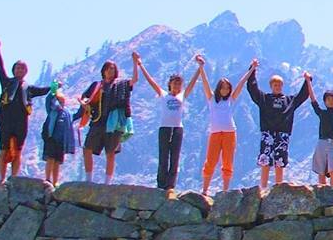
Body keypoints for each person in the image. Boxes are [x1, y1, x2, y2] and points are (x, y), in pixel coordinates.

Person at [241, 60, 310, 189]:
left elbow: (302, 95)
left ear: (282, 86)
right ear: (271, 86)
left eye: (279, 84)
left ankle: (278, 188)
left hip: (283, 135)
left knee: (280, 162)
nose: (277, 87)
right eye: (275, 84)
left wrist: (307, 80)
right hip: (268, 133)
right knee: (265, 160)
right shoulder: (265, 99)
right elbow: (252, 88)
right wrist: (252, 69)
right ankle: (263, 188)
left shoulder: (289, 101)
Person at [0, 44, 50, 182]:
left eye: (22, 68)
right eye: (17, 67)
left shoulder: (29, 87)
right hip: (5, 120)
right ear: (14, 70)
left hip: (21, 121)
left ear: (26, 71)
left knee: (18, 150)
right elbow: (0, 66)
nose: (20, 70)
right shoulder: (6, 82)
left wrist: (54, 86)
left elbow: (43, 90)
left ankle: (15, 177)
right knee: (4, 149)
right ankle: (2, 178)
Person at [79, 53, 143, 183]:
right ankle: (88, 180)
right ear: (103, 71)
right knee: (87, 149)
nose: (110, 71)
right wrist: (85, 103)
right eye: (108, 68)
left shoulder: (121, 85)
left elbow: (134, 80)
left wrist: (135, 63)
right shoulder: (97, 85)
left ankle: (107, 183)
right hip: (97, 121)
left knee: (110, 152)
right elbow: (84, 97)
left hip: (114, 123)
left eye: (113, 69)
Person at [132, 56, 192, 191]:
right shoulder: (164, 95)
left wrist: (199, 68)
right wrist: (140, 65)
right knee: (163, 156)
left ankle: (171, 185)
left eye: (179, 84)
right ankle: (161, 184)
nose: (177, 86)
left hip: (177, 129)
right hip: (164, 128)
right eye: (174, 83)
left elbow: (192, 84)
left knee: (175, 157)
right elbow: (151, 81)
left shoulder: (182, 96)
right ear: (170, 84)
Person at [191, 55, 240, 195]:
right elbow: (205, 83)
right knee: (210, 161)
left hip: (230, 132)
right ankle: (205, 190)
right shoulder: (212, 99)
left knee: (227, 161)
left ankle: (225, 190)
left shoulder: (231, 100)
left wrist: (251, 70)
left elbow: (241, 85)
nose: (225, 90)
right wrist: (201, 67)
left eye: (227, 88)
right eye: (223, 88)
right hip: (215, 132)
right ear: (219, 89)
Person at [37, 82, 76, 186]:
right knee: (50, 158)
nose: (60, 101)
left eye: (62, 99)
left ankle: (55, 181)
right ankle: (47, 178)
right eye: (59, 99)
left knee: (58, 161)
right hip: (51, 137)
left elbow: (75, 118)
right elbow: (49, 99)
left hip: (61, 140)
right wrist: (55, 89)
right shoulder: (52, 110)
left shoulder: (67, 113)